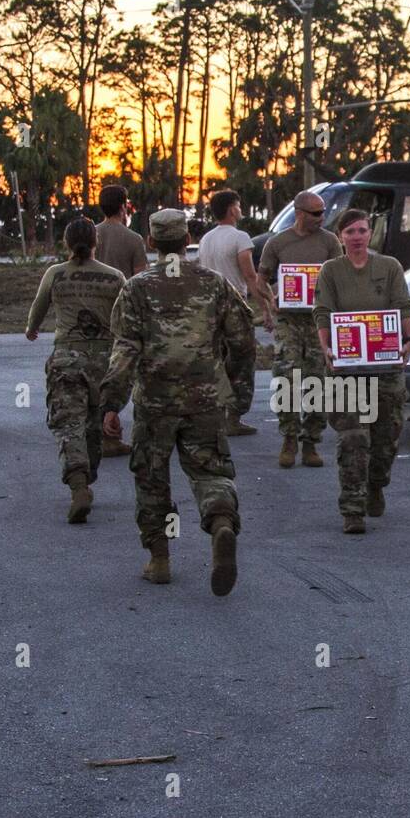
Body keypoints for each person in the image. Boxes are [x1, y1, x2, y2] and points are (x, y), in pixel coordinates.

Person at [99, 208, 254, 596]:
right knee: (210, 471)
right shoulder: (214, 283)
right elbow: (243, 340)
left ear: (151, 242)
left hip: (155, 402)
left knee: (152, 478)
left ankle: (160, 559)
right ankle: (220, 522)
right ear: (188, 240)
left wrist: (111, 402)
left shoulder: (137, 287)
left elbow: (125, 350)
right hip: (204, 400)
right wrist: (233, 385)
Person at [313, 207, 410, 534]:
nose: (357, 237)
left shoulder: (389, 267)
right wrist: (327, 347)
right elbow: (323, 313)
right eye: (350, 232)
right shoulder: (331, 270)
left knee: (386, 440)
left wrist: (408, 340)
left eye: (362, 230)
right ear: (340, 236)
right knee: (354, 437)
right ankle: (352, 509)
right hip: (347, 369)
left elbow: (403, 307)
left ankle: (375, 485)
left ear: (370, 233)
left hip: (386, 368)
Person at [25, 217, 125, 523]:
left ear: (66, 243)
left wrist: (32, 329)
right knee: (94, 423)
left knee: (68, 423)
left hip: (67, 358)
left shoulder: (56, 274)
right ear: (96, 243)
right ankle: (88, 473)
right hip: (104, 361)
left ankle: (79, 483)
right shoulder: (114, 277)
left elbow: (39, 306)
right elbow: (124, 319)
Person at [257, 190, 342, 468]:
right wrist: (272, 300)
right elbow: (261, 280)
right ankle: (289, 438)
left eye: (324, 212)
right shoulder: (278, 243)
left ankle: (310, 442)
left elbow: (337, 278)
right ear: (300, 213)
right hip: (288, 321)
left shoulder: (330, 242)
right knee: (287, 376)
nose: (322, 217)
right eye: (316, 213)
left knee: (317, 378)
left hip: (319, 322)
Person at [197, 188, 273, 437]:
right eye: (239, 206)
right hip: (234, 306)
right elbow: (250, 277)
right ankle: (235, 416)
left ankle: (214, 413)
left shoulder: (206, 239)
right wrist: (266, 309)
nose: (240, 210)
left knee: (216, 360)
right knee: (242, 361)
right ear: (232, 209)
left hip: (210, 307)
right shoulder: (240, 237)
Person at [94, 184, 147, 457]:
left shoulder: (90, 234)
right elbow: (141, 281)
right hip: (123, 316)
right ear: (124, 206)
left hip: (91, 315)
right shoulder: (134, 239)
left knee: (97, 375)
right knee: (120, 377)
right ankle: (112, 434)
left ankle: (98, 431)